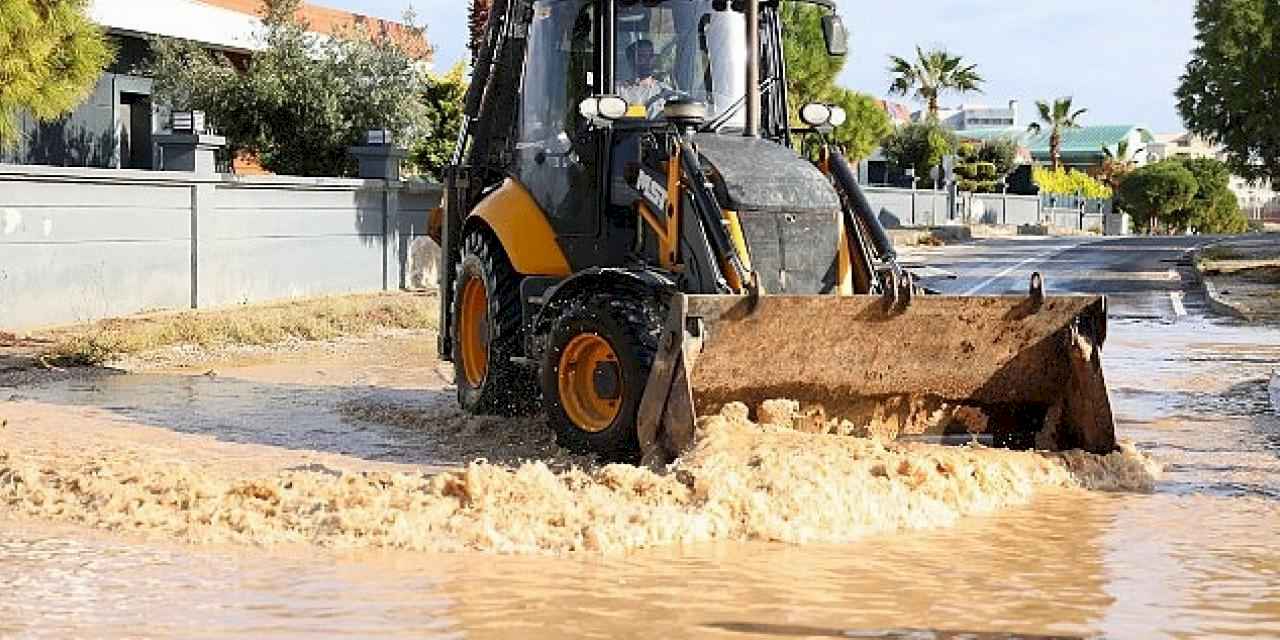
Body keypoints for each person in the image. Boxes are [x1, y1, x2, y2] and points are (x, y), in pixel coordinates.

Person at [617, 39, 675, 118]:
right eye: (642, 56)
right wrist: (643, 111)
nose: (648, 61)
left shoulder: (665, 91)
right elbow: (614, 113)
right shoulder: (619, 91)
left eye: (650, 56)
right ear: (631, 60)